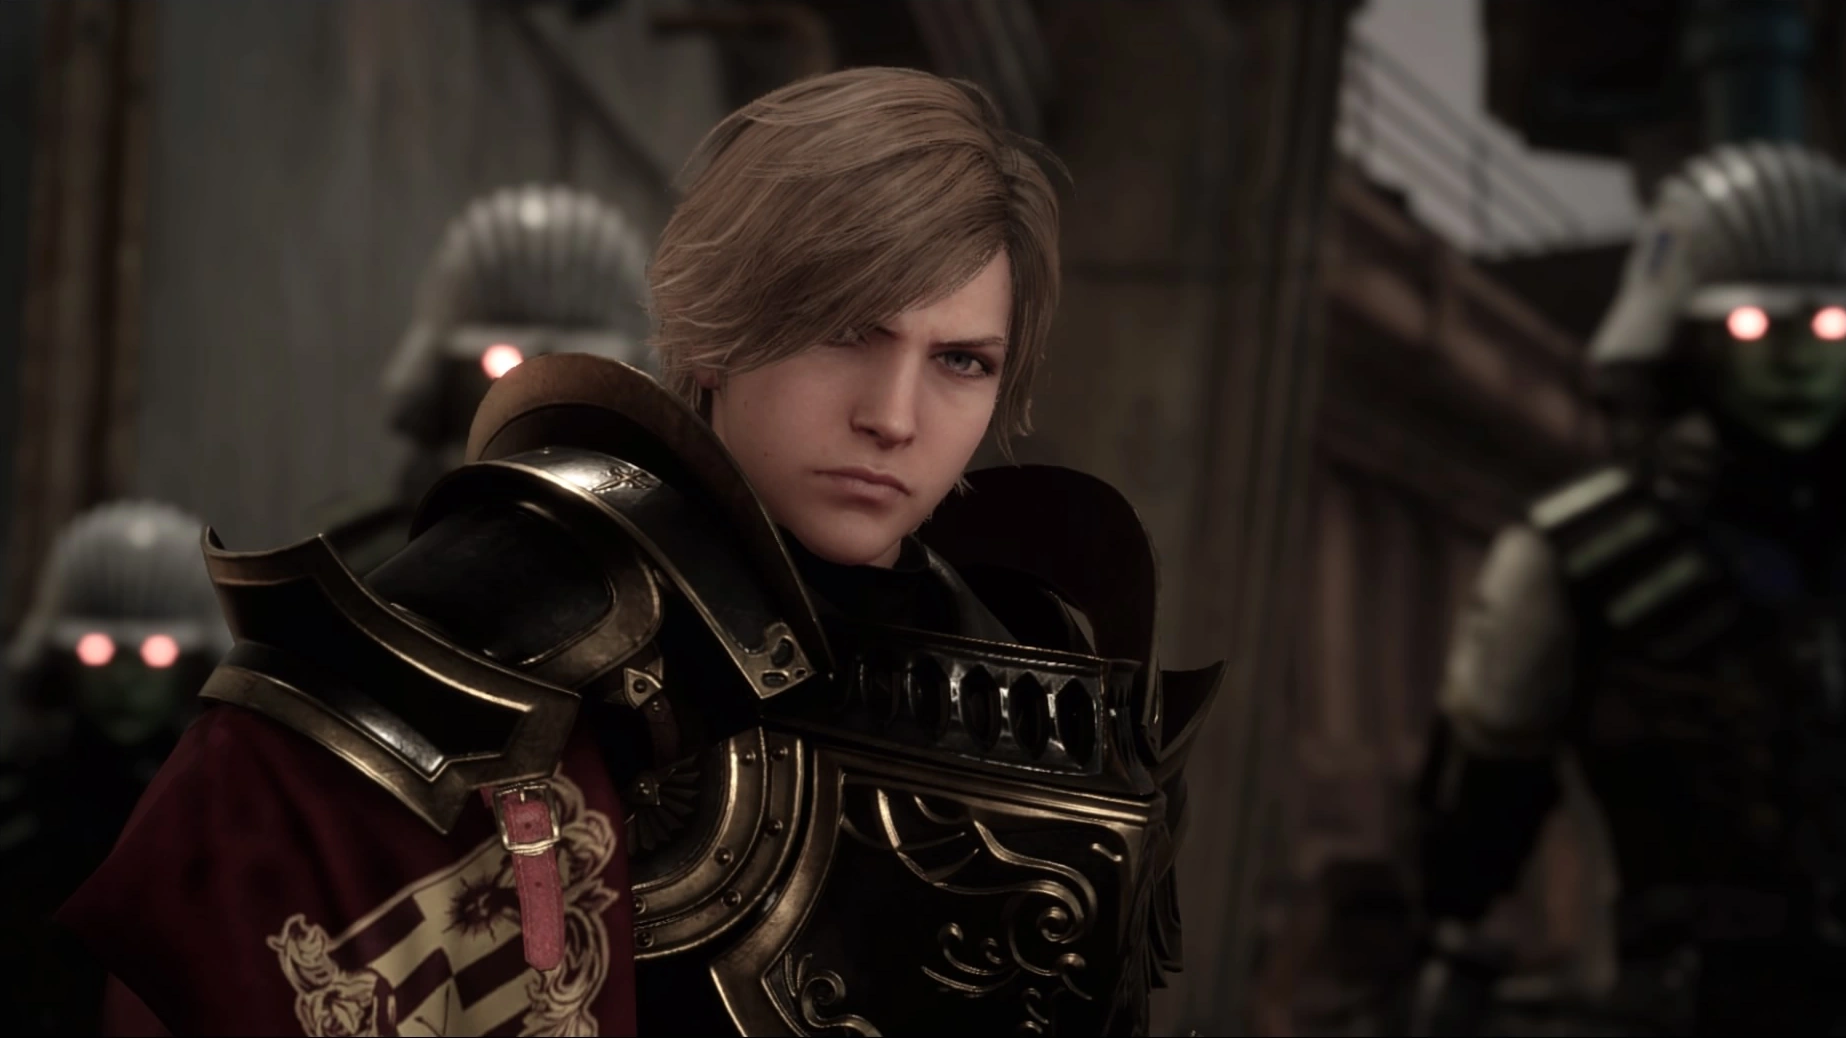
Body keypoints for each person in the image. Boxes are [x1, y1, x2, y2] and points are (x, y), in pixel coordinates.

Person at [60, 67, 1224, 1037]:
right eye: (842, 331)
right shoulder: (492, 622)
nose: (893, 416)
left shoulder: (1040, 688)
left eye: (960, 361)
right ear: (718, 333)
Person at [1412, 142, 1846, 1036]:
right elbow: (1468, 850)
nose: (1798, 360)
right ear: (1684, 343)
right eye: (1751, 327)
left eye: (1833, 325)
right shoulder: (1577, 558)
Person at [318, 183, 655, 574]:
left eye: (578, 373)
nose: (533, 397)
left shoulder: (662, 559)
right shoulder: (358, 561)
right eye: (503, 368)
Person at [0, 500, 229, 1035]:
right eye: (99, 651)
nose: (126, 679)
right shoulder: (19, 803)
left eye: (156, 653)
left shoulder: (221, 804)